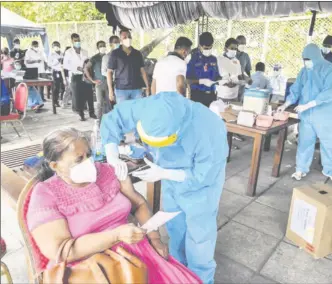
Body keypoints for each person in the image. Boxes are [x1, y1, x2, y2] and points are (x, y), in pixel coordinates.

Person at [26, 128, 201, 284]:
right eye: (79, 159)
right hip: (90, 266)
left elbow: (138, 204)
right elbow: (62, 250)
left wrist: (155, 239)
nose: (88, 163)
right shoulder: (45, 194)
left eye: (89, 155)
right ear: (55, 166)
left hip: (135, 249)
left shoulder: (106, 171)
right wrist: (116, 235)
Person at [100, 92, 228, 283]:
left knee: (199, 238)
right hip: (168, 175)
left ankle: (200, 278)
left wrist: (165, 173)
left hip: (202, 188)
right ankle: (178, 272)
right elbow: (114, 119)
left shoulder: (209, 128)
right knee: (175, 227)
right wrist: (112, 154)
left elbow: (205, 174)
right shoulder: (149, 108)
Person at [277, 43, 332, 185]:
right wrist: (285, 104)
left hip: (325, 115)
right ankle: (301, 168)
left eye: (308, 58)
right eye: (304, 59)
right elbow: (296, 89)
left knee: (329, 143)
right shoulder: (304, 71)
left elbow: (329, 92)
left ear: (316, 57)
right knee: (304, 142)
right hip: (307, 115)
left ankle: (331, 171)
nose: (306, 61)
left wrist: (308, 104)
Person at [107, 29, 150, 104]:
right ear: (120, 39)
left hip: (136, 89)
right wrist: (110, 90)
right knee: (123, 112)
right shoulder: (115, 53)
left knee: (137, 111)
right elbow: (109, 72)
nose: (128, 39)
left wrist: (147, 86)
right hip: (121, 89)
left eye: (129, 36)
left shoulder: (137, 53)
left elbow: (142, 71)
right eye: (125, 37)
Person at [63, 33, 96, 121]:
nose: (77, 42)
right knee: (78, 96)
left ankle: (92, 112)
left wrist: (86, 69)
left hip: (85, 75)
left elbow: (88, 63)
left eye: (78, 40)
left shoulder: (85, 51)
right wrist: (76, 68)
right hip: (76, 75)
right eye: (75, 40)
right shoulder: (69, 52)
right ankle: (81, 113)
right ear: (72, 41)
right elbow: (65, 65)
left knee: (89, 94)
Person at [186, 32, 221, 107]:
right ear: (200, 46)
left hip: (212, 95)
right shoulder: (193, 59)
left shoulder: (214, 59)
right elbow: (187, 80)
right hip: (197, 95)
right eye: (205, 48)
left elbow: (217, 76)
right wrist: (201, 81)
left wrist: (222, 80)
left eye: (210, 48)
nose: (208, 50)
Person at [84, 41, 110, 123]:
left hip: (109, 82)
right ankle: (99, 120)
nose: (102, 47)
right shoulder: (95, 58)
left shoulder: (109, 56)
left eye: (104, 45)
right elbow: (86, 68)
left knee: (109, 102)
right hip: (99, 83)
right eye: (100, 46)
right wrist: (92, 80)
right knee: (99, 103)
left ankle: (109, 119)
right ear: (98, 48)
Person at [216, 38, 246, 103]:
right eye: (232, 48)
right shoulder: (219, 60)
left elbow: (239, 76)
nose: (234, 50)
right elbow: (214, 77)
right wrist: (225, 83)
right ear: (226, 48)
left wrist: (241, 81)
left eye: (235, 49)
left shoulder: (236, 61)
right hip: (222, 95)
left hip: (234, 96)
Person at [48, 41, 65, 107]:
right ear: (53, 47)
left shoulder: (62, 53)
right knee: (56, 87)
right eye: (55, 45)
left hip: (62, 72)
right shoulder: (51, 54)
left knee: (63, 87)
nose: (56, 47)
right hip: (56, 72)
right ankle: (55, 101)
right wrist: (57, 61)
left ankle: (63, 100)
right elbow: (49, 64)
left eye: (57, 45)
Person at [236, 35, 252, 102]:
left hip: (241, 87)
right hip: (231, 86)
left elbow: (248, 71)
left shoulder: (246, 56)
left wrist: (248, 80)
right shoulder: (230, 54)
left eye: (244, 44)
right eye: (241, 43)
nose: (243, 45)